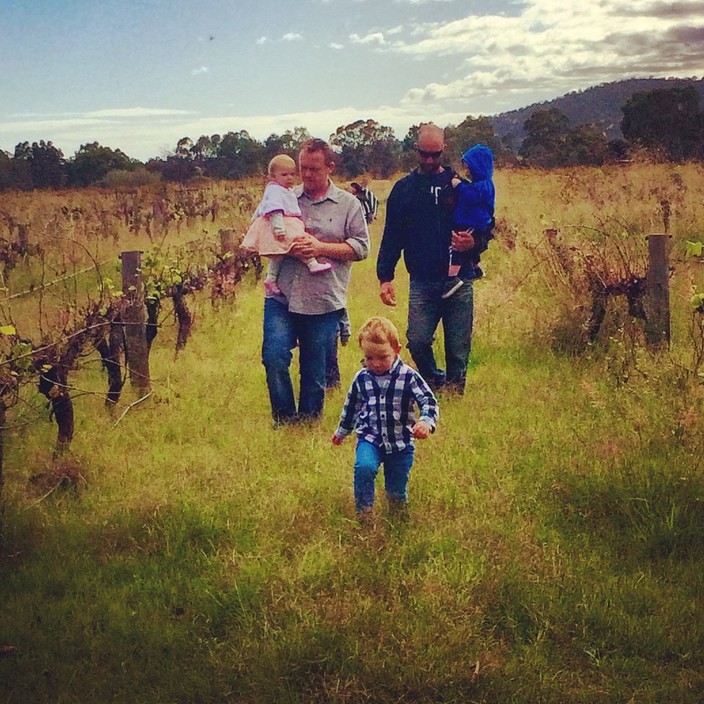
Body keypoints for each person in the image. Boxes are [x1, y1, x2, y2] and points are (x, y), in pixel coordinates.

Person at [262, 138, 370, 424]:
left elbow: (361, 248)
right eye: (302, 168)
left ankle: (308, 424)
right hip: (282, 296)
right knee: (273, 357)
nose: (307, 175)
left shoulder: (348, 204)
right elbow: (262, 234)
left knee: (314, 370)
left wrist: (320, 248)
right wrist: (284, 245)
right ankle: (283, 420)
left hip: (322, 299)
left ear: (330, 167)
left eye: (314, 169)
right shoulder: (284, 197)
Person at [377, 123, 480, 393]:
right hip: (422, 281)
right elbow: (392, 236)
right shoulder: (404, 189)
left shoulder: (460, 187)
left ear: (444, 150)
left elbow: (484, 226)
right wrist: (384, 276)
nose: (430, 160)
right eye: (424, 154)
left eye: (436, 155)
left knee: (458, 346)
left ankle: (455, 393)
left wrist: (474, 243)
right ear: (416, 150)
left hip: (460, 279)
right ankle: (434, 381)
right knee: (418, 340)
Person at [331, 316, 439, 519]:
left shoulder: (408, 376)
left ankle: (398, 518)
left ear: (397, 350)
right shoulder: (362, 378)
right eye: (369, 358)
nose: (376, 363)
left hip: (400, 443)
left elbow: (428, 401)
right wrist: (342, 432)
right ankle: (364, 513)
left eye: (382, 357)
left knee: (395, 490)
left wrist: (426, 421)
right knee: (364, 468)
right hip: (370, 438)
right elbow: (352, 406)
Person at [241, 154, 331, 296]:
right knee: (301, 241)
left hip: (284, 222)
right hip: (283, 223)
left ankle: (270, 278)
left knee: (278, 254)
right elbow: (274, 209)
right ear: (272, 176)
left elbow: (261, 206)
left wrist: (254, 220)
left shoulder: (283, 189)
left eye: (292, 174)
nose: (289, 178)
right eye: (284, 174)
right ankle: (312, 263)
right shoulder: (276, 190)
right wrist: (279, 229)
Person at [442, 144, 495, 299]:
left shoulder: (481, 187)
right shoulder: (483, 184)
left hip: (472, 223)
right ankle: (475, 266)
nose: (467, 171)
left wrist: (459, 186)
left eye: (469, 167)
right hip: (475, 221)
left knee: (455, 248)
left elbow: (470, 196)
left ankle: (452, 278)